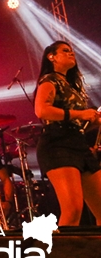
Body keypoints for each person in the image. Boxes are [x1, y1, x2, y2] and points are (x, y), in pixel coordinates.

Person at [34, 40, 101, 226]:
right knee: (72, 211)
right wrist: (81, 113)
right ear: (51, 56)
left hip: (77, 143)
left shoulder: (72, 86)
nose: (71, 53)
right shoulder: (49, 80)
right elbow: (41, 110)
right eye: (65, 51)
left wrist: (92, 120)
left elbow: (74, 122)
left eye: (71, 51)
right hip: (58, 144)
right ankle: (58, 255)